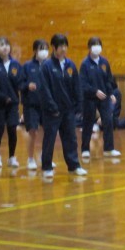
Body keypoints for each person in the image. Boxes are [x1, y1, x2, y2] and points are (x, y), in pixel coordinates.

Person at [38, 34, 87, 179]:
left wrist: (79, 104)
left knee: (71, 138)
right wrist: (52, 107)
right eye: (61, 46)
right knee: (50, 139)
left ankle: (74, 166)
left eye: (65, 46)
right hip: (52, 111)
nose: (64, 49)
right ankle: (47, 167)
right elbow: (44, 89)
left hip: (68, 110)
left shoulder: (70, 65)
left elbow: (77, 86)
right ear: (54, 47)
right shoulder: (46, 66)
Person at [0, 37, 25, 168]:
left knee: (12, 130)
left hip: (13, 103)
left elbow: (20, 82)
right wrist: (3, 97)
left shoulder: (16, 65)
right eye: (2, 45)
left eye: (7, 44)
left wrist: (26, 86)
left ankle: (12, 157)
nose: (5, 47)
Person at [79, 37, 120, 158]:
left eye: (98, 44)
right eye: (94, 44)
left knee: (108, 121)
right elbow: (83, 83)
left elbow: (109, 79)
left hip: (104, 97)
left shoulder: (104, 62)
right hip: (90, 98)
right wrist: (94, 91)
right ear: (89, 47)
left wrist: (111, 93)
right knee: (88, 123)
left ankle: (109, 149)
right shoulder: (85, 64)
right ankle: (85, 149)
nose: (97, 47)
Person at [22, 39, 49, 170]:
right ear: (35, 51)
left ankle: (45, 157)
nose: (44, 51)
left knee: (46, 132)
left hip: (46, 104)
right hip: (31, 105)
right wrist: (27, 85)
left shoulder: (50, 65)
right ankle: (30, 158)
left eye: (46, 49)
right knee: (33, 131)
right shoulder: (27, 66)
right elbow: (20, 83)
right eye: (41, 48)